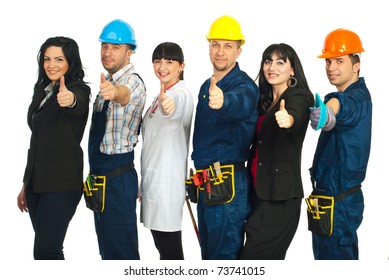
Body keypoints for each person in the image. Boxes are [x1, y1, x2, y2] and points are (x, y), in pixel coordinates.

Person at [191, 15, 259, 260]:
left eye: (228, 46)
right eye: (215, 44)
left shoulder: (245, 87)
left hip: (228, 186)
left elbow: (241, 104)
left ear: (239, 51)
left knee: (224, 258)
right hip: (206, 183)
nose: (220, 52)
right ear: (209, 47)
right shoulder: (204, 87)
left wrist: (224, 101)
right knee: (208, 255)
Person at [16, 36, 90, 259]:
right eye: (47, 59)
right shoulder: (42, 90)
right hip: (36, 185)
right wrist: (26, 182)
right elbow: (37, 140)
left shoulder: (78, 89)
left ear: (70, 61)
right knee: (48, 251)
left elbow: (77, 103)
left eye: (59, 59)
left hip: (61, 185)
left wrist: (70, 99)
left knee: (45, 252)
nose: (51, 64)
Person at [240, 43, 314, 260]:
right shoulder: (263, 100)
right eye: (268, 61)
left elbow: (298, 113)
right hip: (257, 193)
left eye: (280, 62)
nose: (272, 67)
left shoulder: (298, 96)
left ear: (292, 70)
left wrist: (288, 119)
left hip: (280, 199)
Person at [308, 28, 372, 260]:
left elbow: (343, 105)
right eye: (328, 61)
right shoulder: (339, 95)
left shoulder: (357, 98)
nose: (331, 67)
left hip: (339, 203)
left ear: (356, 65)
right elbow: (334, 101)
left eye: (339, 61)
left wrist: (328, 113)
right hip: (328, 200)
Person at [88, 19, 146, 260]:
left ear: (129, 52)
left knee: (122, 254)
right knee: (107, 252)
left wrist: (115, 93)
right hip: (100, 179)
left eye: (115, 47)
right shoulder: (106, 82)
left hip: (117, 179)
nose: (107, 52)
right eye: (105, 46)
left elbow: (125, 95)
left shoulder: (131, 81)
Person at [140, 42, 193, 260]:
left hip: (166, 187)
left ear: (181, 66)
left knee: (170, 253)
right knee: (162, 248)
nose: (162, 66)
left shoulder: (180, 94)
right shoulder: (159, 95)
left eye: (169, 61)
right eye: (158, 61)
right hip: (152, 185)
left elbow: (174, 106)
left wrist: (169, 105)